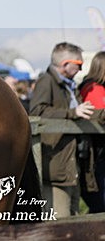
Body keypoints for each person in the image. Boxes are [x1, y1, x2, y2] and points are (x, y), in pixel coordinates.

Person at [29, 42, 95, 217]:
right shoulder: (46, 81)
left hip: (70, 164)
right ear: (66, 63)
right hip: (55, 164)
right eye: (79, 64)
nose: (80, 70)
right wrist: (72, 112)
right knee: (60, 222)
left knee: (73, 219)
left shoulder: (69, 85)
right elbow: (36, 111)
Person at [80, 51, 105, 212]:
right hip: (96, 150)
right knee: (100, 202)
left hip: (99, 150)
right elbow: (100, 113)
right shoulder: (93, 88)